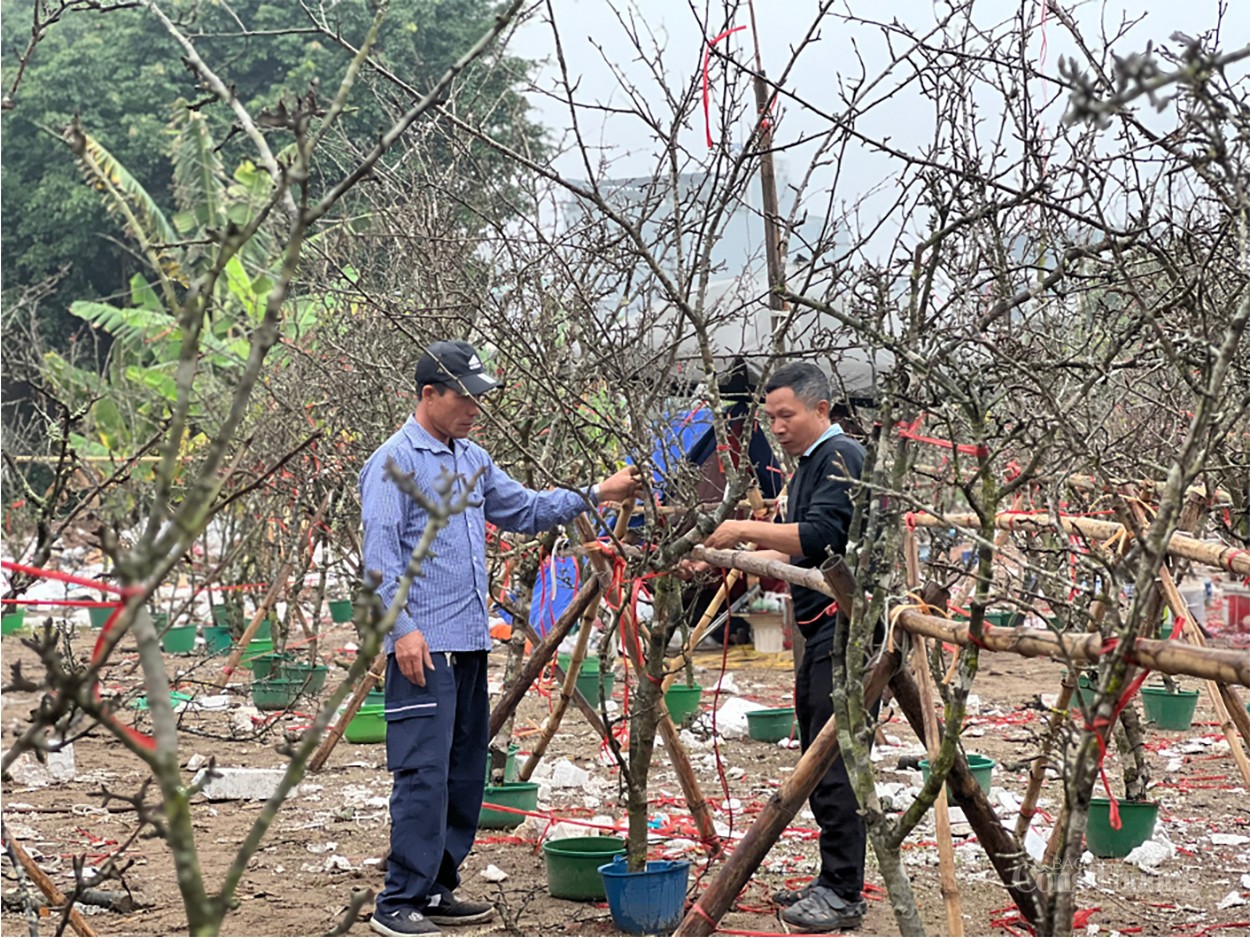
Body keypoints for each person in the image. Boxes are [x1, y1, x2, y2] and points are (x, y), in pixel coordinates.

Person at [360, 339, 639, 938]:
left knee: (464, 772)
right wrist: (402, 632)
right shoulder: (392, 464)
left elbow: (529, 510)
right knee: (423, 771)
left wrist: (599, 492)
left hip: (467, 642)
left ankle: (437, 888)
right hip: (422, 648)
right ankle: (398, 901)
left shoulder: (474, 459)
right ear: (429, 395)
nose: (474, 410)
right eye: (464, 398)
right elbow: (378, 562)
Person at [699, 361, 870, 932]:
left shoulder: (840, 456)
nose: (776, 425)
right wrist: (730, 558)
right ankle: (832, 878)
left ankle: (844, 889)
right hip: (818, 625)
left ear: (821, 410)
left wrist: (744, 531)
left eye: (786, 414)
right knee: (817, 755)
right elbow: (800, 555)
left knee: (835, 758)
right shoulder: (805, 468)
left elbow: (823, 536)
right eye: (770, 415)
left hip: (845, 631)